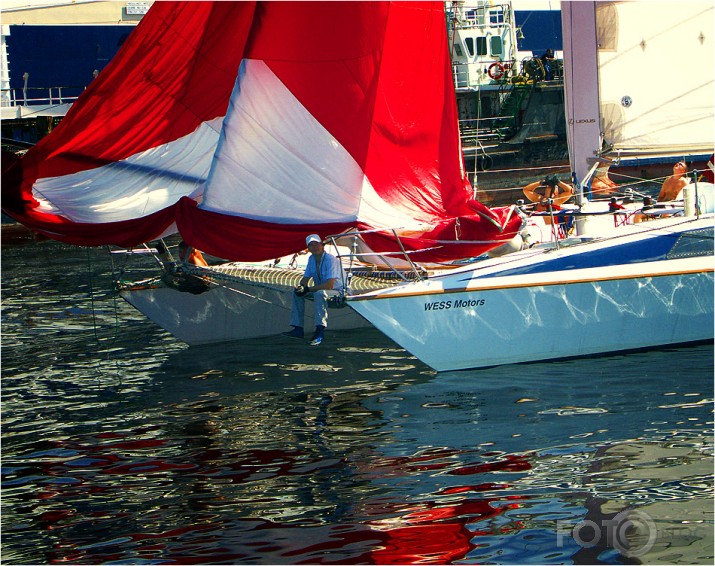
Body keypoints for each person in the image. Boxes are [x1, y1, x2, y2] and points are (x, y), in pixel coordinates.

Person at [283, 234, 344, 346]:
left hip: (338, 292)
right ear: (308, 249)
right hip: (323, 291)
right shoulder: (311, 259)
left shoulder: (331, 259)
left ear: (322, 245)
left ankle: (319, 331)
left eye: (317, 244)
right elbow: (305, 279)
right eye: (311, 245)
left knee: (319, 294)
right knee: (297, 293)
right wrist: (301, 287)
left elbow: (329, 286)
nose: (315, 247)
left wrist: (308, 289)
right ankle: (298, 328)